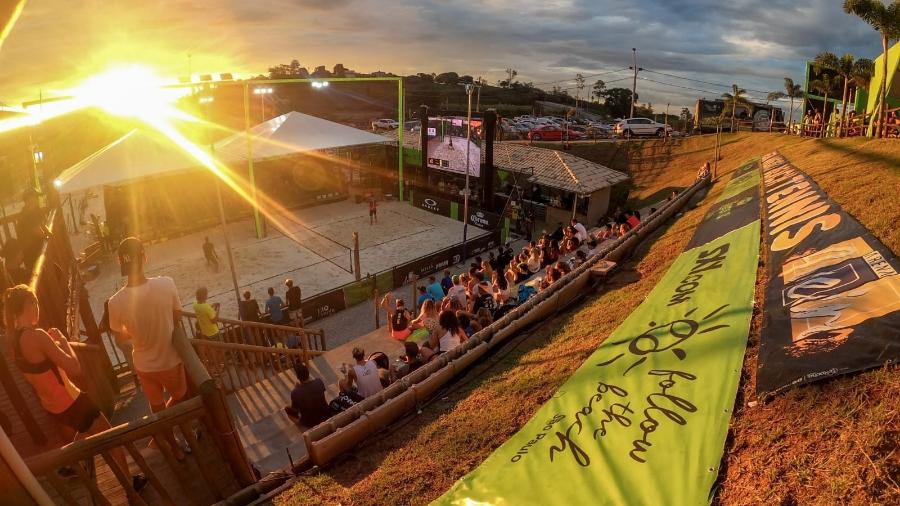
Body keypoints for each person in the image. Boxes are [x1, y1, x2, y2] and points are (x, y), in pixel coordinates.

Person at [3, 285, 148, 491]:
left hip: (53, 407)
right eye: (35, 302)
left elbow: (41, 367)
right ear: (28, 305)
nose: (38, 308)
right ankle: (130, 486)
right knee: (112, 439)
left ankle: (71, 463)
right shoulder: (37, 336)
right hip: (73, 401)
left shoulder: (13, 341)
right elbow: (74, 367)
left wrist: (53, 347)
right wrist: (63, 341)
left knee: (85, 435)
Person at [107, 237, 189, 461]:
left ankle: (173, 447)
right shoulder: (166, 283)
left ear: (120, 262)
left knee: (158, 408)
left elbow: (120, 337)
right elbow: (177, 315)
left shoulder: (114, 302)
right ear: (144, 257)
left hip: (143, 364)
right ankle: (166, 435)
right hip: (169, 359)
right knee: (180, 395)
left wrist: (136, 331)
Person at [284, 362, 331, 427]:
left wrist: (297, 389)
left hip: (310, 423)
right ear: (308, 373)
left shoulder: (295, 393)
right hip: (326, 414)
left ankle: (300, 425)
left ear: (297, 377)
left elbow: (295, 410)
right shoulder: (319, 382)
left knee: (287, 409)